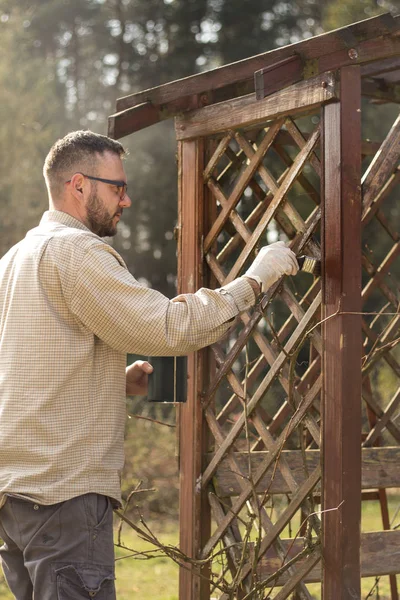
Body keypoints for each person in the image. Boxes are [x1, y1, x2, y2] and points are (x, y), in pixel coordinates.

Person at [0, 130, 299, 599]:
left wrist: (115, 382)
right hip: (65, 498)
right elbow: (168, 328)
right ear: (79, 185)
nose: (128, 199)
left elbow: (21, 372)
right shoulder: (76, 253)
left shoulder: (15, 259)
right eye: (117, 187)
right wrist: (255, 280)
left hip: (17, 498)